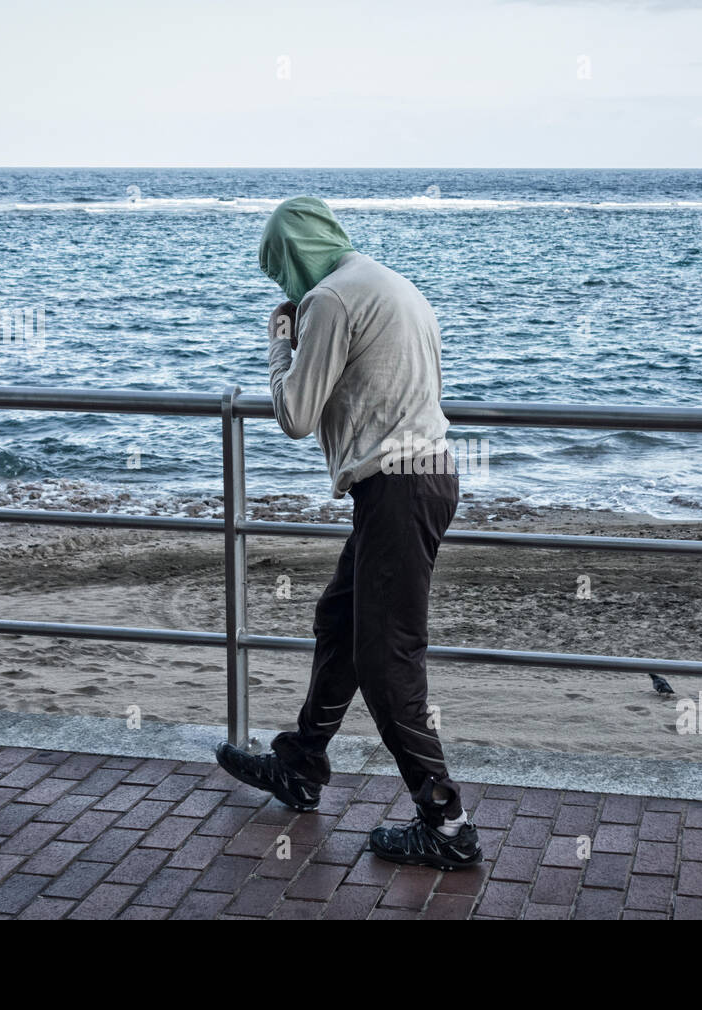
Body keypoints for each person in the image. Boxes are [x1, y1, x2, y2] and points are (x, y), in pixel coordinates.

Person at [216, 196, 481, 870]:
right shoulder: (387, 281)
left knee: (384, 660)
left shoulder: (328, 300)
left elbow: (297, 413)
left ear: (294, 253)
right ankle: (300, 764)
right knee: (339, 621)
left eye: (279, 269)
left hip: (397, 485)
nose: (283, 285)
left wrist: (281, 345)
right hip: (419, 476)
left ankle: (445, 823)